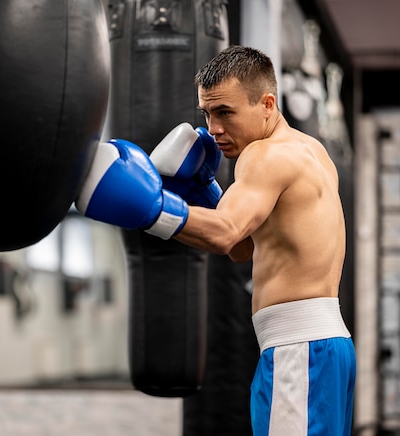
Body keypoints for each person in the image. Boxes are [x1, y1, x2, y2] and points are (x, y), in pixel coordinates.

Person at [75, 45, 356, 435]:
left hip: (299, 350)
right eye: (206, 113)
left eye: (225, 112)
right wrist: (203, 189)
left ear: (267, 104)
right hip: (325, 344)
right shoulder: (311, 151)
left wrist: (151, 208)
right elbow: (245, 248)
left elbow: (225, 234)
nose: (213, 129)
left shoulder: (263, 156)